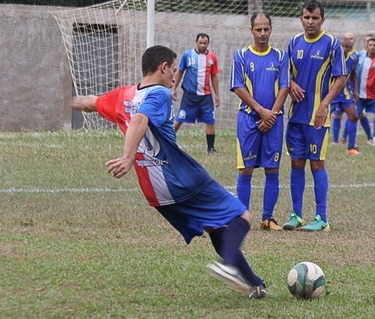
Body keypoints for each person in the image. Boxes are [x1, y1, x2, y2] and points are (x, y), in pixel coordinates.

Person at [72, 45, 266, 299]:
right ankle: (229, 265)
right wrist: (128, 156)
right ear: (163, 67)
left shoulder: (123, 96)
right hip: (182, 178)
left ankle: (256, 284)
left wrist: (70, 101)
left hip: (156, 193)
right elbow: (141, 120)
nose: (175, 76)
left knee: (214, 227)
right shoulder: (160, 94)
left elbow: (90, 103)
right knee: (242, 216)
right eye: (173, 70)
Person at [284, 0, 347, 232]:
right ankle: (296, 215)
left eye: (315, 18)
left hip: (318, 118)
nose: (310, 22)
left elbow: (341, 77)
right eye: (306, 17)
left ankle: (321, 218)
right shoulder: (293, 42)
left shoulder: (331, 43)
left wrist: (324, 105)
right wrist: (290, 83)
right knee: (296, 162)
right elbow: (285, 74)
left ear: (322, 19)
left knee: (317, 164)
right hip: (296, 116)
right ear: (301, 18)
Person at [231, 13, 290, 231]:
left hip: (274, 120)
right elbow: (238, 87)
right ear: (252, 30)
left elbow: (285, 87)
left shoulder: (281, 57)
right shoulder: (241, 56)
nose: (262, 34)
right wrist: (261, 111)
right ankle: (242, 218)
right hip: (248, 118)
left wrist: (271, 115)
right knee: (246, 169)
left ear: (271, 30)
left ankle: (268, 218)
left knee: (272, 169)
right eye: (258, 29)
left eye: (266, 29)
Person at [171, 33, 220, 154]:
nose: (202, 45)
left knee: (210, 120)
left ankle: (211, 148)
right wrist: (173, 88)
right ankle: (168, 141)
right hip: (190, 95)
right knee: (180, 118)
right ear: (196, 42)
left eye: (205, 43)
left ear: (208, 44)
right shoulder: (188, 55)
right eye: (200, 43)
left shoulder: (212, 58)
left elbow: (214, 76)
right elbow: (180, 72)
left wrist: (217, 94)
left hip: (206, 96)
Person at [352, 36, 375, 145]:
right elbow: (353, 72)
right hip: (360, 96)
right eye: (370, 45)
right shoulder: (360, 56)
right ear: (366, 46)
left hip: (373, 96)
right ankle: (352, 142)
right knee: (355, 117)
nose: (372, 47)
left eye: (374, 45)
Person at [330, 32, 361, 155]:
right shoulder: (331, 58)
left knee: (353, 117)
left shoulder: (354, 58)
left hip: (345, 93)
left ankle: (351, 147)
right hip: (330, 92)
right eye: (342, 47)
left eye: (347, 47)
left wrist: (356, 91)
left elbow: (353, 74)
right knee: (320, 118)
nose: (344, 49)